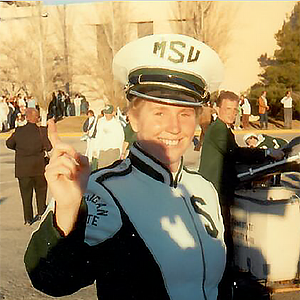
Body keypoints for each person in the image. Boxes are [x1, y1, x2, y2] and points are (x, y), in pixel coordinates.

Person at [24, 33, 226, 300]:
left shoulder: (204, 188)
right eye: (159, 112)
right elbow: (51, 279)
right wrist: (68, 209)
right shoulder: (103, 190)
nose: (175, 127)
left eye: (185, 113)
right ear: (132, 119)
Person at [198, 90, 284, 298]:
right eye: (228, 109)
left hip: (220, 189)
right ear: (218, 109)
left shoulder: (223, 129)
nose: (232, 113)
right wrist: (266, 152)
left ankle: (225, 280)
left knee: (224, 236)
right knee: (222, 237)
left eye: (235, 109)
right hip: (216, 191)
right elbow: (235, 153)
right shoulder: (218, 129)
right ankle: (224, 285)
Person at [6, 108, 52, 225]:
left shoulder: (19, 131)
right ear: (37, 118)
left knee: (26, 195)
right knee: (41, 192)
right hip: (39, 168)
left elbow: (9, 144)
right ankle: (41, 212)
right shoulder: (42, 131)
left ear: (26, 117)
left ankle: (28, 218)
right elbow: (49, 147)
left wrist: (19, 148)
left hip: (23, 169)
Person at [93, 104, 124, 168]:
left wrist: (121, 152)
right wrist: (96, 149)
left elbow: (121, 138)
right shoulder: (100, 121)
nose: (106, 115)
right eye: (105, 113)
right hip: (102, 151)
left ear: (113, 113)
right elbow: (98, 135)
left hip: (113, 151)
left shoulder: (117, 123)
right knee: (101, 172)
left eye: (108, 113)